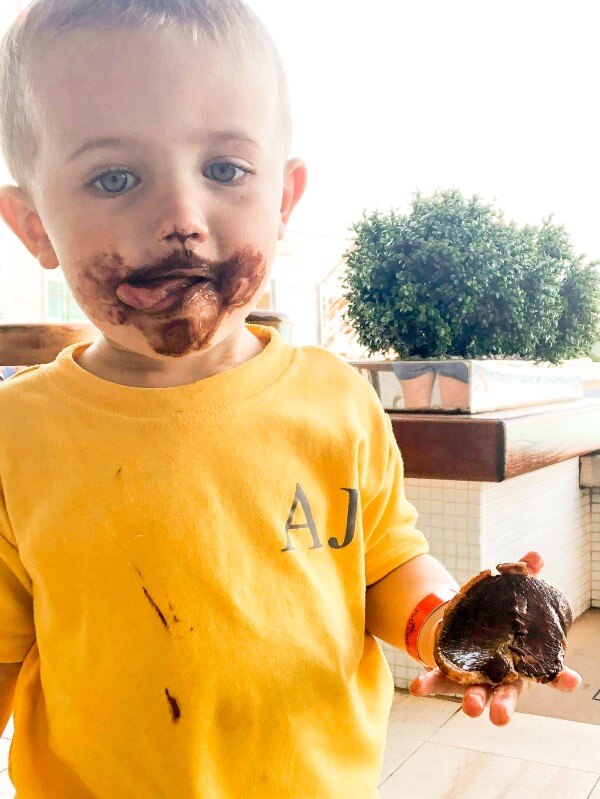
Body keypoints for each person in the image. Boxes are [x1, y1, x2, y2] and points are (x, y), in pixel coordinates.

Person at [0, 2, 581, 797]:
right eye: (115, 177)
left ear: (283, 195)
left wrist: (444, 627)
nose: (180, 219)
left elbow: (385, 561)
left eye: (225, 170)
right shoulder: (16, 437)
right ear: (33, 225)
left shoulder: (334, 403)